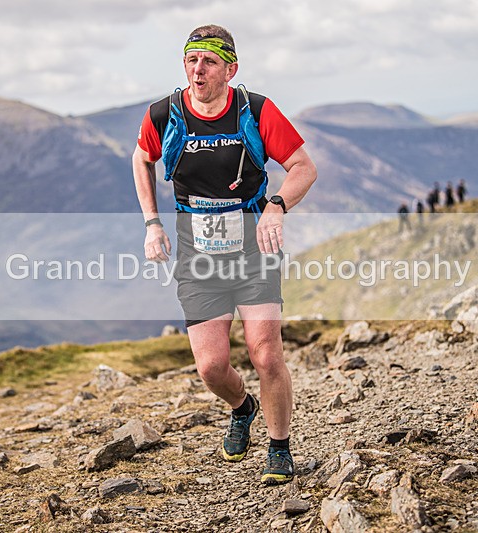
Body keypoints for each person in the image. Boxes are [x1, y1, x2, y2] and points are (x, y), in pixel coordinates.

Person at [132, 24, 317, 486]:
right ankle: (242, 407)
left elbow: (303, 167)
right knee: (212, 367)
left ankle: (279, 447)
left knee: (265, 354)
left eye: (209, 61)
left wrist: (277, 206)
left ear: (230, 69)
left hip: (254, 250)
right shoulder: (164, 114)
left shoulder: (255, 110)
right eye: (192, 60)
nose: (198, 69)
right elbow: (141, 158)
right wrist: (152, 223)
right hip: (198, 254)